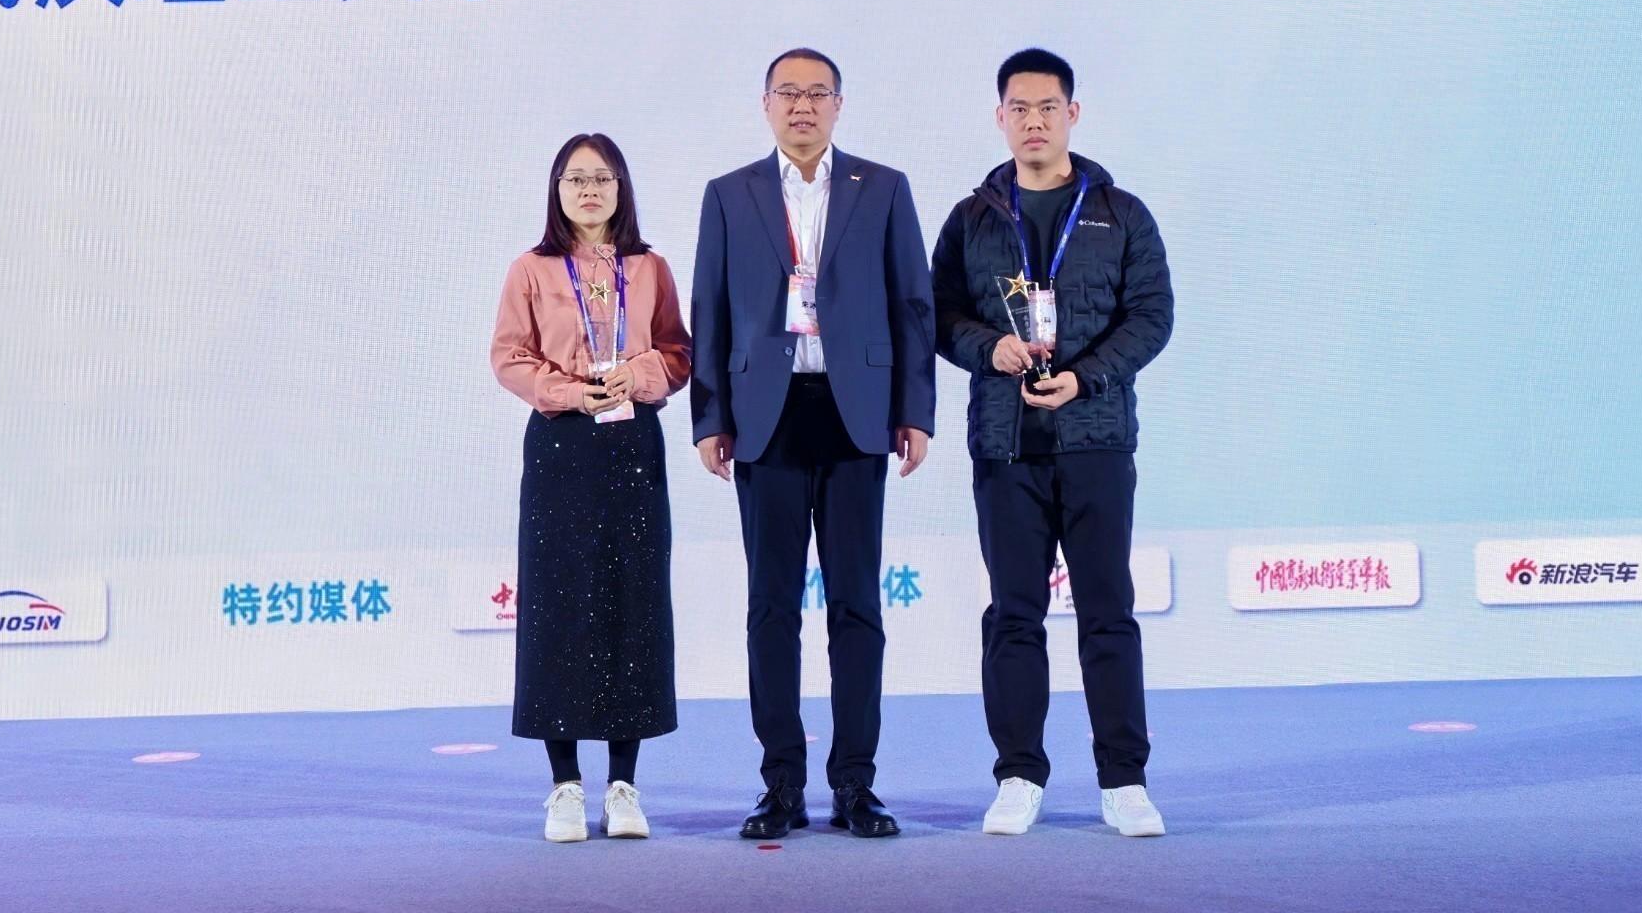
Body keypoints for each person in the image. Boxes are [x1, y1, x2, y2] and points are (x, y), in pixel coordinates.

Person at [689, 49, 935, 841]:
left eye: (817, 93)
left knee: (857, 605)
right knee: (771, 607)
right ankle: (782, 783)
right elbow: (709, 309)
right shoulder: (729, 194)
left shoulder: (883, 187)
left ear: (839, 104)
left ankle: (856, 784)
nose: (803, 106)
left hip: (857, 413)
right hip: (766, 416)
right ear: (765, 104)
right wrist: (709, 416)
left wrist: (915, 410)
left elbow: (913, 304)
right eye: (788, 93)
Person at [931, 49, 1174, 839]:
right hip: (1005, 446)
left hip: (1095, 440)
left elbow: (1152, 316)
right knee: (1013, 615)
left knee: (1108, 612)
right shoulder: (971, 218)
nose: (1033, 121)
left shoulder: (1119, 212)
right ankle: (1018, 774)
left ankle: (1124, 779)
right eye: (1019, 108)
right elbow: (937, 315)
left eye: (1047, 107)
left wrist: (1086, 378)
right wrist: (989, 348)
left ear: (1074, 113)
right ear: (999, 117)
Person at [491, 134, 693, 844]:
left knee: (631, 601)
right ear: (557, 189)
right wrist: (571, 391)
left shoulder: (650, 266)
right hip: (562, 442)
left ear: (621, 188)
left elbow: (678, 352)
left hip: (633, 441)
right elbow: (508, 355)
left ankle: (624, 784)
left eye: (602, 178)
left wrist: (637, 375)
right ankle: (565, 785)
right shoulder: (531, 268)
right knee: (561, 604)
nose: (589, 190)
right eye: (575, 179)